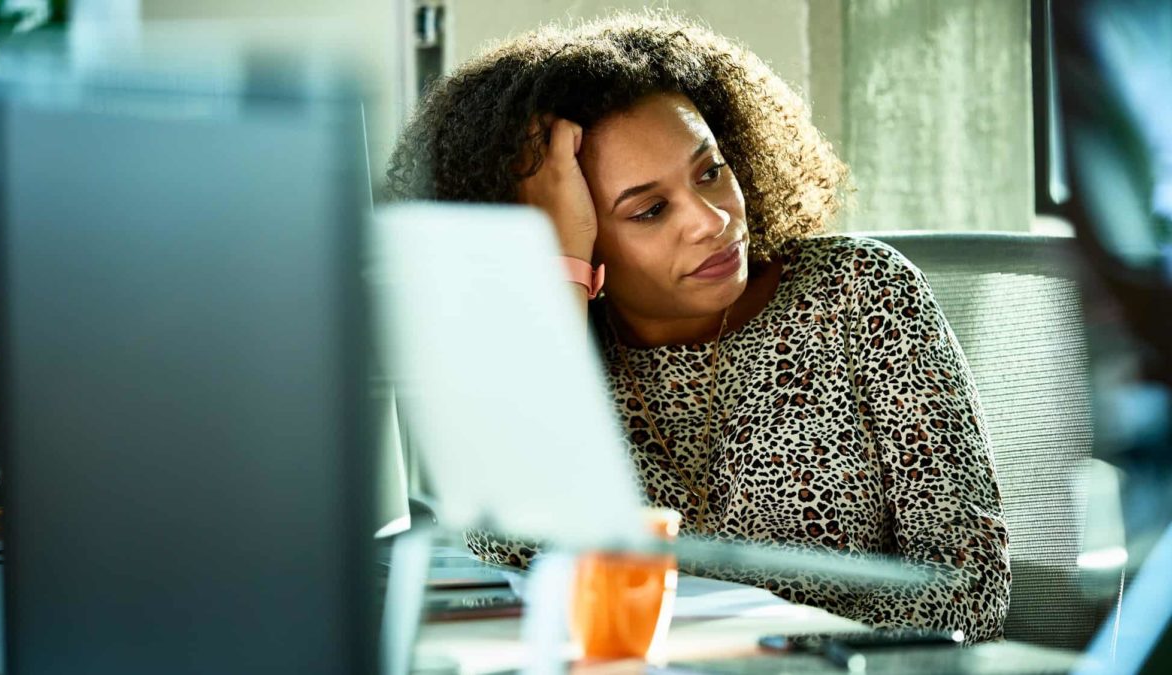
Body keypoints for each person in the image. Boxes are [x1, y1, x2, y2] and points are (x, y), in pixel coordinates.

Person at [387, 12, 1010, 642]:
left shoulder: (859, 292)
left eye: (710, 172)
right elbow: (512, 546)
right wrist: (559, 277)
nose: (711, 220)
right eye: (650, 210)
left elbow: (968, 584)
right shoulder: (560, 355)